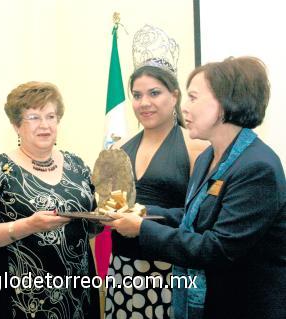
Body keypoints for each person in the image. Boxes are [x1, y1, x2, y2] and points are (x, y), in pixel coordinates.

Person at [103, 56, 286, 319]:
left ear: (223, 104)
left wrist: (142, 229)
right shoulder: (207, 158)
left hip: (244, 305)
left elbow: (217, 249)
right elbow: (194, 217)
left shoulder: (257, 167)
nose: (185, 107)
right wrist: (143, 211)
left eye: (193, 97)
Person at [0, 81, 101, 319]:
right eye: (34, 118)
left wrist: (110, 216)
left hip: (77, 294)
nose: (45, 125)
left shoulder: (77, 166)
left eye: (51, 116)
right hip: (19, 299)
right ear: (16, 125)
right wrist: (28, 226)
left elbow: (92, 224)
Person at [105, 25, 207, 319]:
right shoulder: (120, 148)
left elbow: (199, 215)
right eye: (137, 95)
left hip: (170, 269)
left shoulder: (196, 146)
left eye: (154, 93)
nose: (144, 103)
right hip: (122, 266)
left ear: (174, 96)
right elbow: (112, 204)